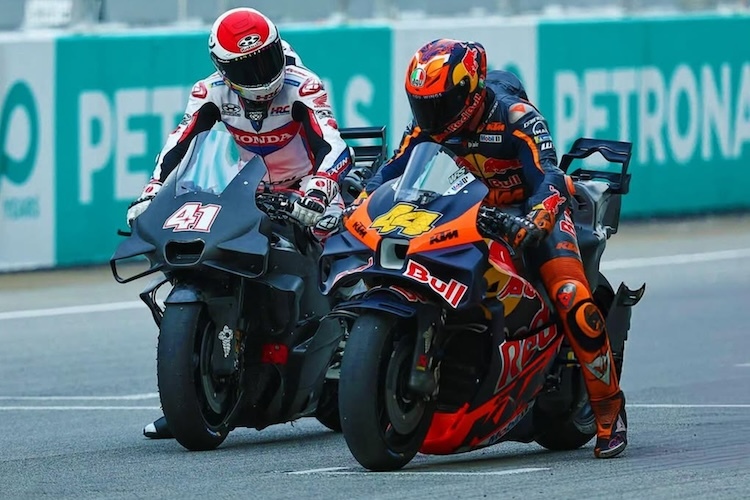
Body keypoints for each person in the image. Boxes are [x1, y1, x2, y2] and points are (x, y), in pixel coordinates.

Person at [361, 39, 627, 459]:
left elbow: (549, 177)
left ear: (470, 92)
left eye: (440, 103)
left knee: (570, 296)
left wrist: (537, 220)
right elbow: (389, 174)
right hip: (468, 214)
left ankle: (609, 408)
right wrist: (360, 198)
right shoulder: (425, 128)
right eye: (422, 104)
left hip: (533, 214)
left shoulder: (517, 117)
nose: (430, 115)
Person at [128, 7, 353, 439]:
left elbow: (334, 144)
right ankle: (188, 394)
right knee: (213, 258)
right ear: (223, 69)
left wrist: (321, 186)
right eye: (245, 67)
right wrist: (154, 191)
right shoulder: (209, 92)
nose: (259, 74)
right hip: (247, 190)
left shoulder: (301, 85)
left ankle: (348, 344)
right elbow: (180, 143)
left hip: (306, 191)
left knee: (337, 250)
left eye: (264, 60)